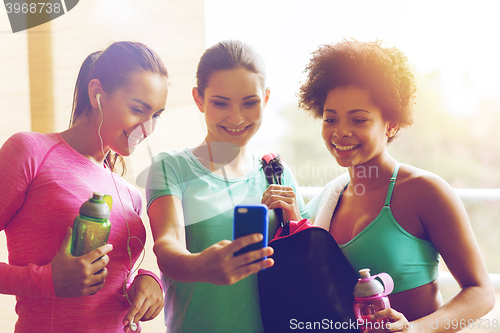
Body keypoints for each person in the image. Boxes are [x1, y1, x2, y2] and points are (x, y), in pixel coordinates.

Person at [300, 39, 495, 332]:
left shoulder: (425, 191)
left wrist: (416, 329)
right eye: (331, 119)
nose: (340, 132)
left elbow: (481, 293)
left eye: (358, 119)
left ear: (390, 124)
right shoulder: (325, 201)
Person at [0, 41, 168, 333]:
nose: (148, 128)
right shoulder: (30, 152)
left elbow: (110, 280)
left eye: (155, 116)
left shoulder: (129, 195)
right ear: (97, 95)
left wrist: (146, 281)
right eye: (138, 109)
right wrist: (46, 281)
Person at [146, 39, 308, 333]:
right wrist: (200, 266)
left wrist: (295, 219)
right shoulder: (171, 168)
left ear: (266, 98)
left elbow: (306, 266)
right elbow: (166, 246)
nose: (236, 118)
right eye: (221, 103)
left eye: (250, 102)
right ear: (199, 99)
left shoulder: (276, 173)